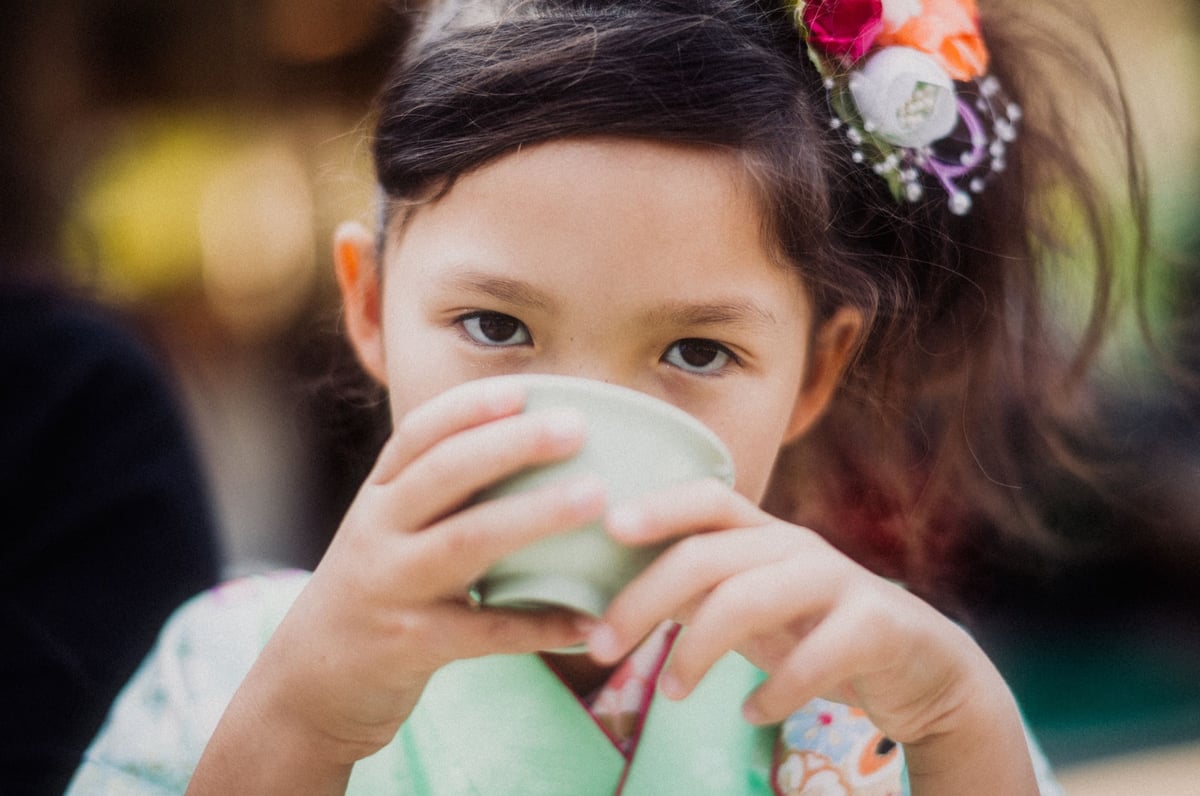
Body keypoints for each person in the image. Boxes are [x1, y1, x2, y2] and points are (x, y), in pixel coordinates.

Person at [67, 0, 1147, 792]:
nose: (578, 420)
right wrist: (299, 718)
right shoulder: (242, 658)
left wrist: (959, 717)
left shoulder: (866, 682)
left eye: (695, 349)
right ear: (370, 305)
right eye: (496, 327)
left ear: (816, 369)